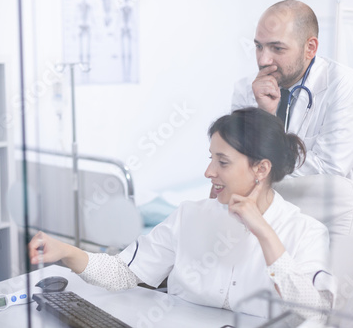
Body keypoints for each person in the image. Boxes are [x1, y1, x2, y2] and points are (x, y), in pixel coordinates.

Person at [29, 108, 335, 320]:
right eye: (210, 159)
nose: (208, 172)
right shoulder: (190, 215)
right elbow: (123, 273)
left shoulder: (305, 232)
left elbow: (315, 313)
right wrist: (65, 252)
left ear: (261, 169)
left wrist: (265, 233)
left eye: (222, 162)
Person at [230, 0, 353, 235]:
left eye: (277, 48)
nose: (263, 60)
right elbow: (235, 160)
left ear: (310, 48)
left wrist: (260, 166)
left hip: (330, 226)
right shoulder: (247, 90)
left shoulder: (347, 89)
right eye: (259, 46)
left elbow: (328, 170)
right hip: (266, 222)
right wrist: (265, 115)